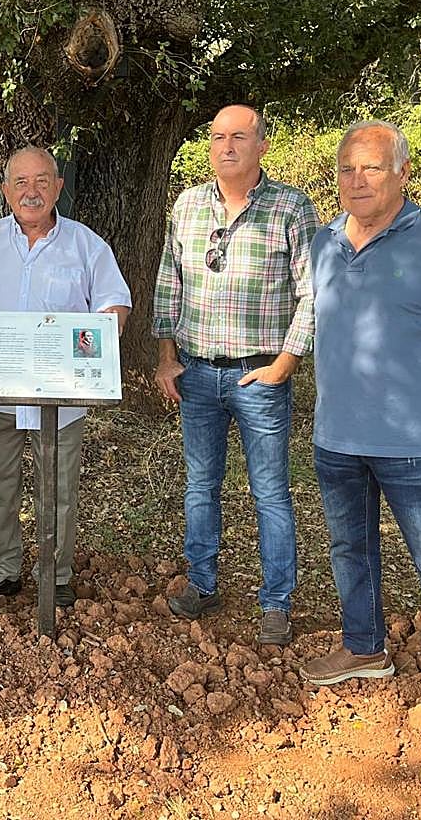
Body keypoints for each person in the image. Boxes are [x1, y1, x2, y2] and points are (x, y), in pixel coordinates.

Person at [300, 120, 421, 759]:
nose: (357, 180)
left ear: (402, 174)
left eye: (373, 168)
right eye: (347, 169)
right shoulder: (324, 243)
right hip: (337, 438)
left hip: (417, 444)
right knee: (349, 550)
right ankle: (363, 648)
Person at [152, 105, 318, 645]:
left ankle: (276, 603)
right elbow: (168, 281)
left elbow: (312, 295)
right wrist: (166, 357)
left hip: (259, 377)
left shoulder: (291, 208)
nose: (227, 147)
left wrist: (284, 365)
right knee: (201, 485)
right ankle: (202, 584)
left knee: (269, 491)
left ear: (261, 146)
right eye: (218, 137)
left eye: (239, 137)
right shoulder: (189, 205)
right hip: (198, 374)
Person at [0, 146, 131, 609]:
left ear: (58, 186)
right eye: (20, 182)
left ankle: (56, 573)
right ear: (6, 190)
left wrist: (89, 355)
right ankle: (2, 570)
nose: (31, 192)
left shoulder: (86, 245)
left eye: (41, 181)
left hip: (63, 397)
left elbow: (115, 305)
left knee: (60, 489)